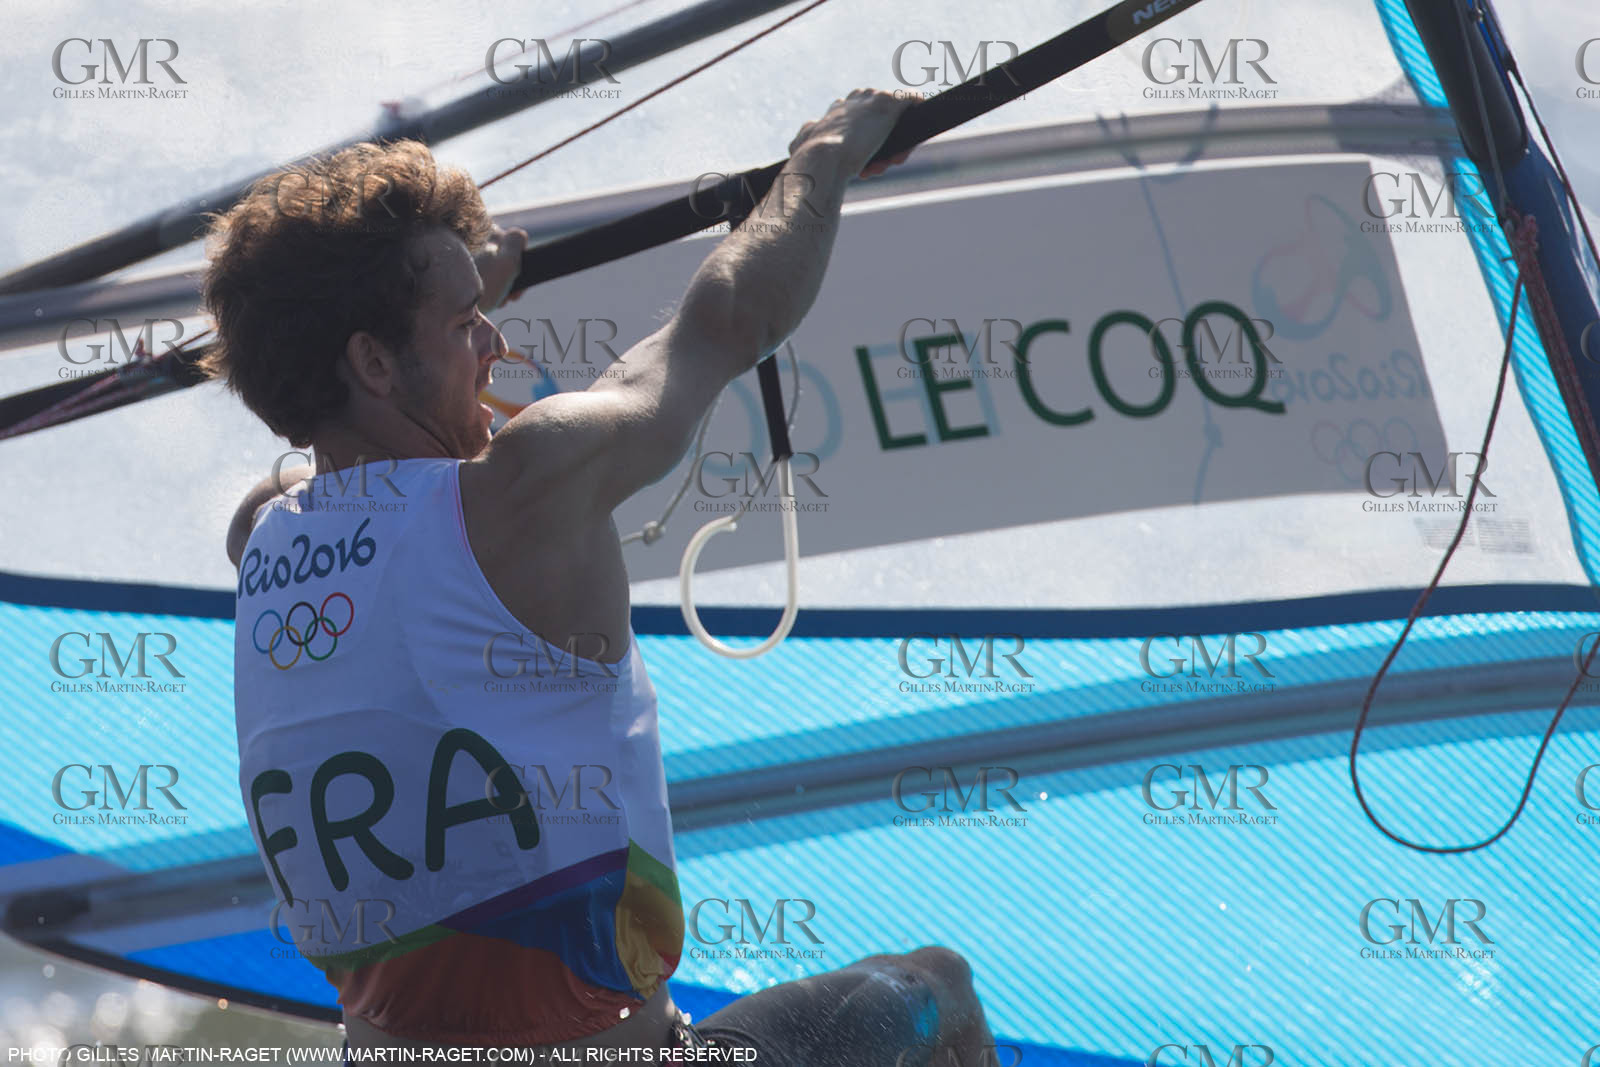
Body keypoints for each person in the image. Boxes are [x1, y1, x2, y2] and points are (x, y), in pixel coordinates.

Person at [209, 89, 994, 1065]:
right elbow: (725, 322)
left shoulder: (262, 539)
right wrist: (825, 158)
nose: (495, 344)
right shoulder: (524, 488)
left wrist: (446, 314)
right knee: (939, 987)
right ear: (372, 360)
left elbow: (338, 470)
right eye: (466, 325)